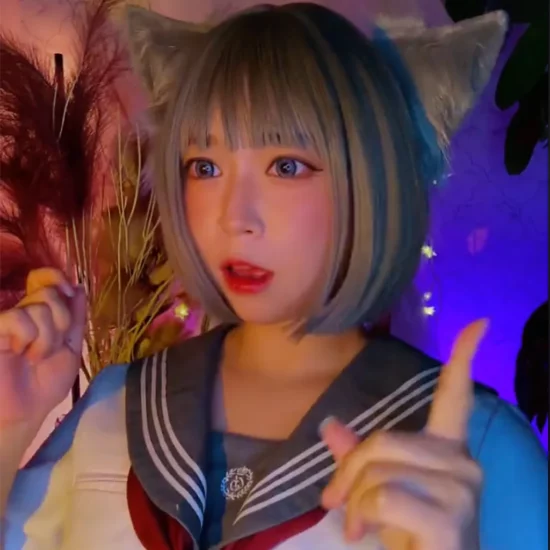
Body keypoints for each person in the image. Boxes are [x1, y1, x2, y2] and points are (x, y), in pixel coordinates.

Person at [0, 4, 547, 549]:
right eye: (205, 167)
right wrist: (11, 426)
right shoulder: (115, 402)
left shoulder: (479, 448)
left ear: (372, 179)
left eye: (286, 166)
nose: (234, 217)